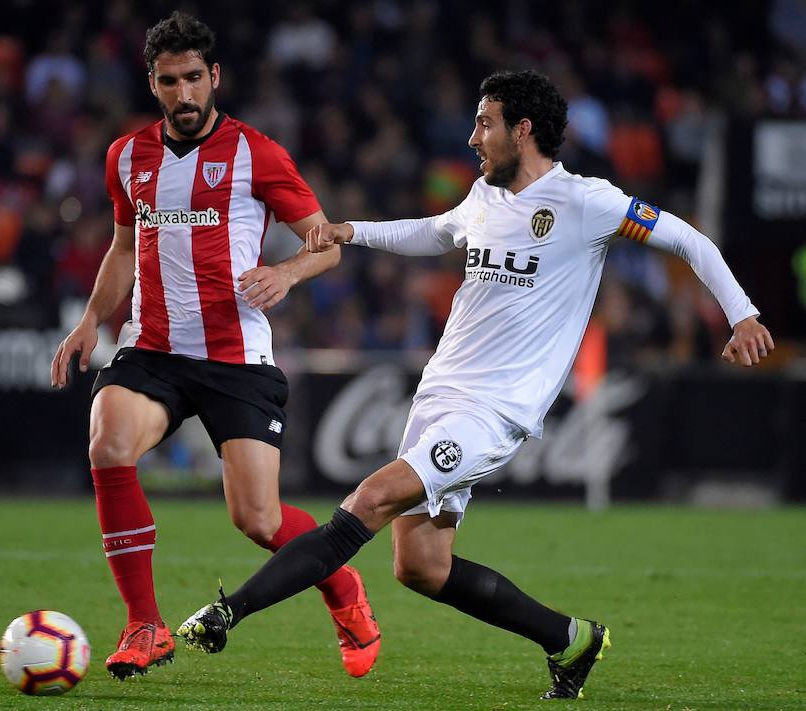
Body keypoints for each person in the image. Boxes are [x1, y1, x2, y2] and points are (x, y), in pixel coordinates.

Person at [177, 69, 774, 699]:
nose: (473, 137)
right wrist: (353, 231)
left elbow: (687, 238)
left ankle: (228, 613)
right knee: (421, 568)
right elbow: (434, 231)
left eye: (484, 123)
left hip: (494, 412)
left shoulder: (587, 202)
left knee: (369, 501)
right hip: (439, 394)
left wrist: (741, 314)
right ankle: (570, 638)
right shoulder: (485, 197)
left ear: (522, 130)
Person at [50, 11, 380, 681]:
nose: (184, 94)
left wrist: (287, 271)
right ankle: (143, 623)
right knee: (108, 445)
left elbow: (326, 244)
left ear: (215, 76)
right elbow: (121, 247)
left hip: (235, 357)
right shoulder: (126, 157)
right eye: (170, 82)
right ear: (153, 83)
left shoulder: (256, 152)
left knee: (257, 518)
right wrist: (91, 320)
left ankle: (342, 588)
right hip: (154, 351)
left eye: (194, 78)